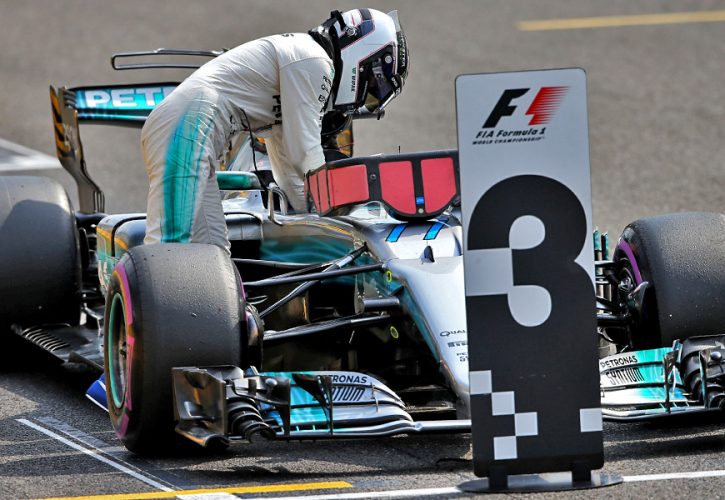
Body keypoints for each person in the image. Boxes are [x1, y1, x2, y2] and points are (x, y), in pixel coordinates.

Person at [140, 8, 409, 254]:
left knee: (213, 252)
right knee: (168, 249)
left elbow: (290, 172)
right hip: (189, 126)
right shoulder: (313, 60)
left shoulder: (301, 71)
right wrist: (340, 209)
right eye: (373, 89)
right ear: (363, 57)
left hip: (196, 130)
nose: (365, 99)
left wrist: (318, 216)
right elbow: (304, 154)